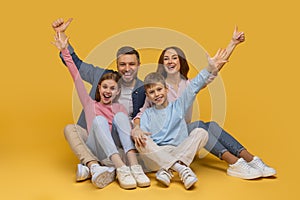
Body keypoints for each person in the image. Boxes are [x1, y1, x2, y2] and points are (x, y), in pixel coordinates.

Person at [133, 30, 276, 179]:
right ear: (162, 64)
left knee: (211, 126)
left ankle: (250, 159)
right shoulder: (157, 86)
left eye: (174, 58)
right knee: (200, 125)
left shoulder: (187, 85)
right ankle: (233, 162)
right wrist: (136, 128)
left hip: (182, 133)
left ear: (180, 61)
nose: (170, 61)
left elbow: (211, 71)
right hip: (168, 136)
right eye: (166, 59)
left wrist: (232, 44)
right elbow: (141, 113)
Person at [52, 18, 147, 188]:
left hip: (120, 144)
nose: (127, 68)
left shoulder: (143, 90)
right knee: (81, 126)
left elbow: (152, 112)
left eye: (132, 64)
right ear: (117, 65)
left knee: (121, 118)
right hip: (94, 139)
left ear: (139, 65)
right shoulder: (101, 79)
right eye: (122, 64)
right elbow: (76, 67)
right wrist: (63, 39)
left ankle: (112, 169)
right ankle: (95, 166)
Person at [136, 49, 227, 189]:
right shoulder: (147, 115)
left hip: (179, 150)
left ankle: (167, 170)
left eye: (159, 90)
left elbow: (194, 86)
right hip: (158, 156)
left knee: (201, 132)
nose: (156, 95)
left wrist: (210, 67)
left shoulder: (178, 106)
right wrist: (138, 131)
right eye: (152, 92)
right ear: (147, 96)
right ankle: (181, 169)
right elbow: (147, 141)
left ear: (166, 89)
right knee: (141, 141)